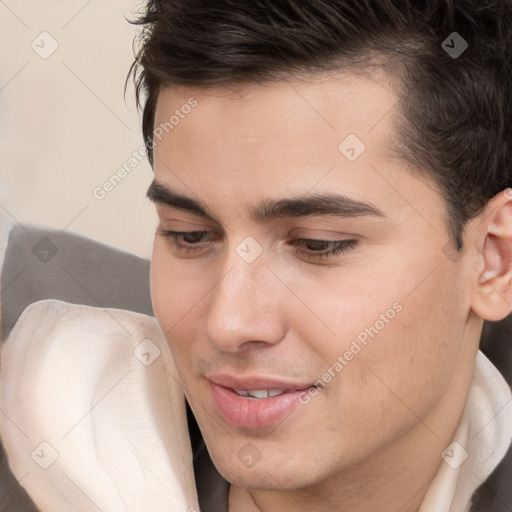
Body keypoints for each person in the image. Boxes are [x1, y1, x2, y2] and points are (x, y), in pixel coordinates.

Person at [0, 1, 511, 511]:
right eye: (189, 234)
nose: (228, 322)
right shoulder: (34, 427)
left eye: (318, 244)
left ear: (495, 260)